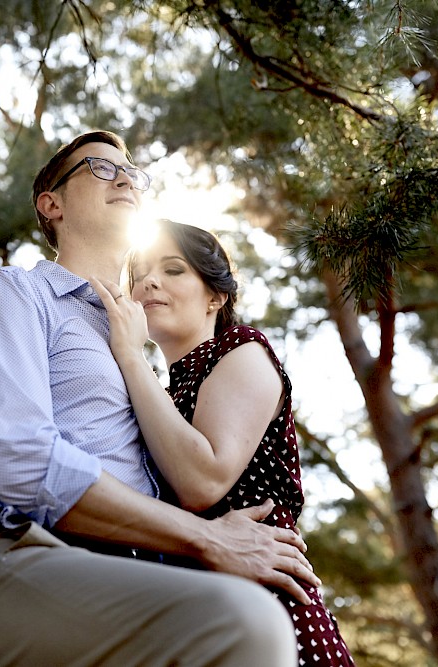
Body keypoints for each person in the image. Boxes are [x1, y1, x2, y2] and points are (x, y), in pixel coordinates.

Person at [0, 130, 318, 667]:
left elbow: (181, 480)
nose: (124, 178)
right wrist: (207, 539)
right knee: (245, 624)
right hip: (18, 556)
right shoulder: (17, 292)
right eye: (99, 167)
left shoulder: (141, 355)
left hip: (130, 578)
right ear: (53, 204)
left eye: (133, 173)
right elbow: (16, 457)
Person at [89, 219, 356, 665]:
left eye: (173, 269)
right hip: (185, 609)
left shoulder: (242, 350)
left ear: (216, 296)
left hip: (268, 598)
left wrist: (131, 356)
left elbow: (203, 481)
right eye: (139, 276)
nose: (149, 281)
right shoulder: (156, 394)